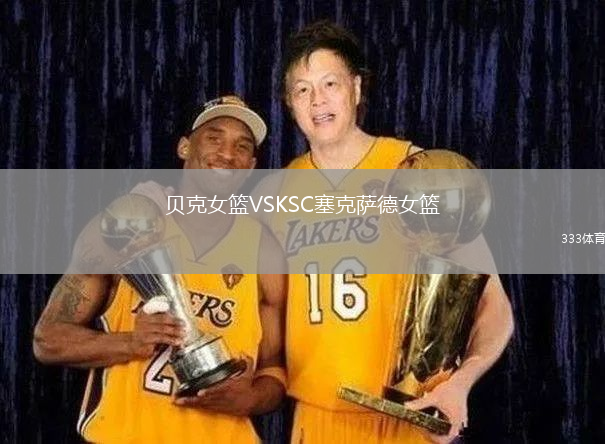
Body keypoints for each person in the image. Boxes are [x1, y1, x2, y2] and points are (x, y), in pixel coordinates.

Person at [269, 21, 514, 444]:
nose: (317, 100)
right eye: (302, 90)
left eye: (330, 84)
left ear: (356, 88)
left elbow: (493, 304)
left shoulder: (417, 168)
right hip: (320, 419)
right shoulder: (277, 193)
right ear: (290, 104)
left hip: (408, 415)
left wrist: (461, 383)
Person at [33, 95, 287, 444]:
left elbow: (275, 369)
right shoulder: (126, 227)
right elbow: (48, 340)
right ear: (184, 147)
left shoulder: (264, 251)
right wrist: (130, 343)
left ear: (251, 165)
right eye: (214, 138)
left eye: (242, 146)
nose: (228, 154)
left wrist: (252, 398)